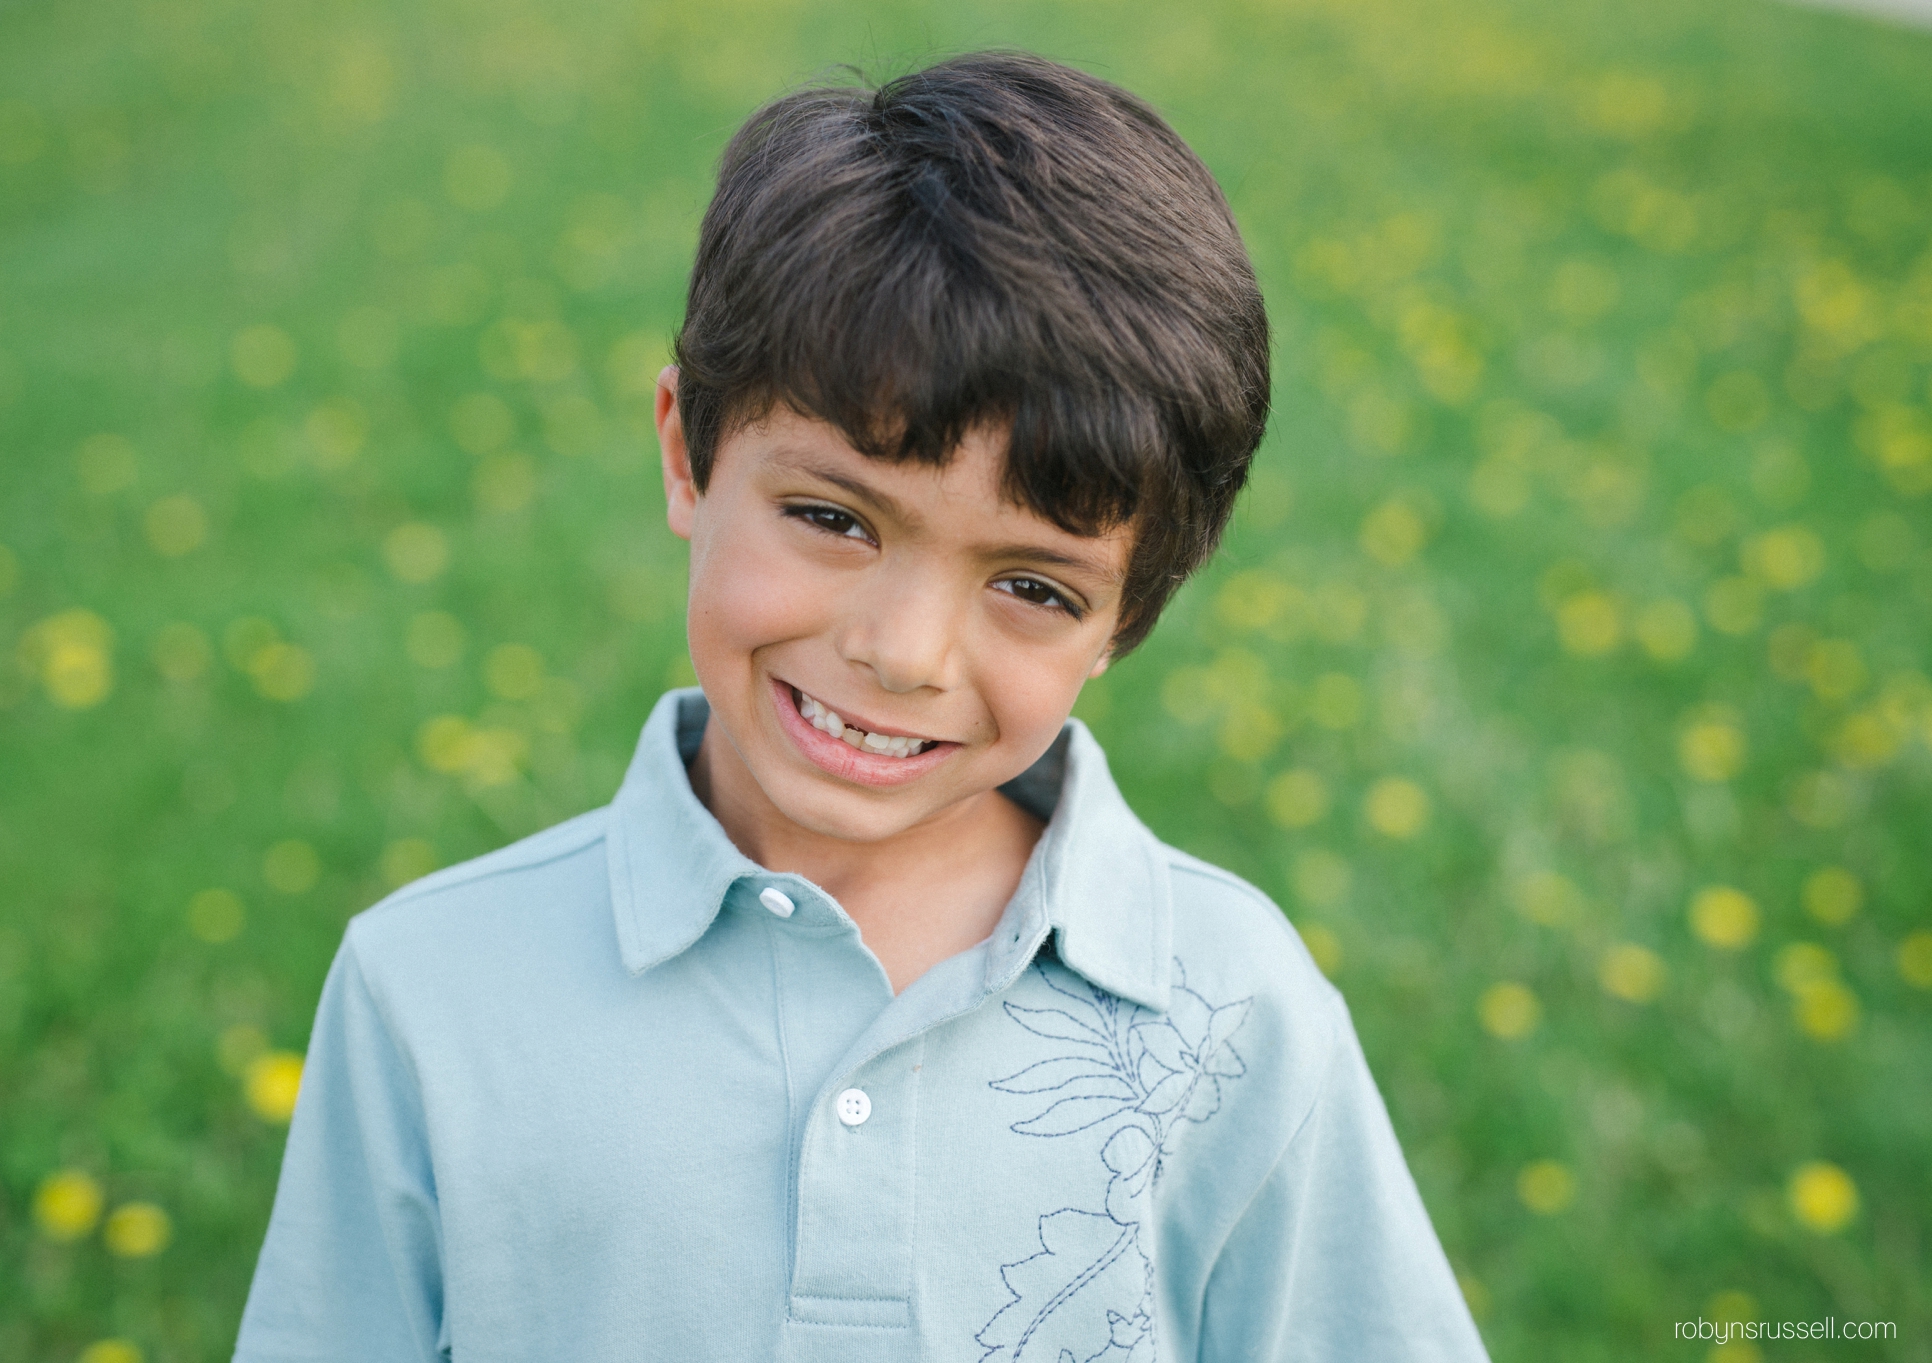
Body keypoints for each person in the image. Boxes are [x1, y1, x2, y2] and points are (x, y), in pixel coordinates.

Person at [233, 51, 1489, 1362]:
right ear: (684, 452)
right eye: (833, 518)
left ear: (1127, 619)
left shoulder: (1234, 1017)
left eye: (1034, 587)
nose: (900, 652)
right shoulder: (430, 993)